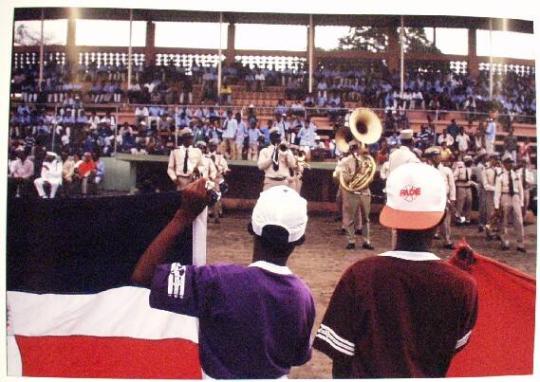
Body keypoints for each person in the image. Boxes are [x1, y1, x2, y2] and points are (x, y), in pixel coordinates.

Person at [131, 180, 315, 379]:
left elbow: (143, 276)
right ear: (301, 239)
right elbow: (298, 356)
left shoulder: (218, 281)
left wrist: (183, 216)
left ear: (251, 227)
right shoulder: (303, 297)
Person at [313, 162, 478, 378]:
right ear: (443, 214)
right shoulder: (464, 285)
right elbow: (453, 348)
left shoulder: (360, 275)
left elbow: (341, 360)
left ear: (390, 214)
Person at [339, 143, 374, 250]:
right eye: (354, 149)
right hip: (352, 192)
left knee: (366, 218)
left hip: (364, 191)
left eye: (358, 148)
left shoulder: (367, 161)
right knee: (350, 218)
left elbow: (371, 178)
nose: (356, 151)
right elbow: (345, 177)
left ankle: (366, 241)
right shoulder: (345, 162)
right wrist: (356, 176)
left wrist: (363, 179)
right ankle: (351, 240)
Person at [426, 147, 456, 249]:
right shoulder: (427, 170)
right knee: (430, 219)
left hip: (443, 197)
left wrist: (452, 198)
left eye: (437, 156)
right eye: (434, 156)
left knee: (446, 220)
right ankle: (427, 240)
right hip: (431, 197)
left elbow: (451, 185)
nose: (436, 158)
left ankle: (447, 240)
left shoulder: (446, 170)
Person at [494, 155, 525, 252]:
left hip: (515, 196)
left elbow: (520, 189)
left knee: (519, 221)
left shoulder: (516, 175)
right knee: (504, 221)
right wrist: (496, 205)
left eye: (511, 162)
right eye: (508, 162)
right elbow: (497, 192)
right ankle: (505, 242)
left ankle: (520, 244)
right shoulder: (500, 176)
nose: (510, 164)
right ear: (504, 164)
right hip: (505, 196)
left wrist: (522, 202)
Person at [454, 155, 475, 224]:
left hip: (468, 186)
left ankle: (467, 219)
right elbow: (454, 177)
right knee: (460, 203)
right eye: (468, 161)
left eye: (470, 162)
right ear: (465, 161)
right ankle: (459, 219)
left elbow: (469, 178)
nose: (470, 163)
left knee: (469, 202)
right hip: (461, 186)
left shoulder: (470, 169)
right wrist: (459, 179)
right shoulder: (459, 168)